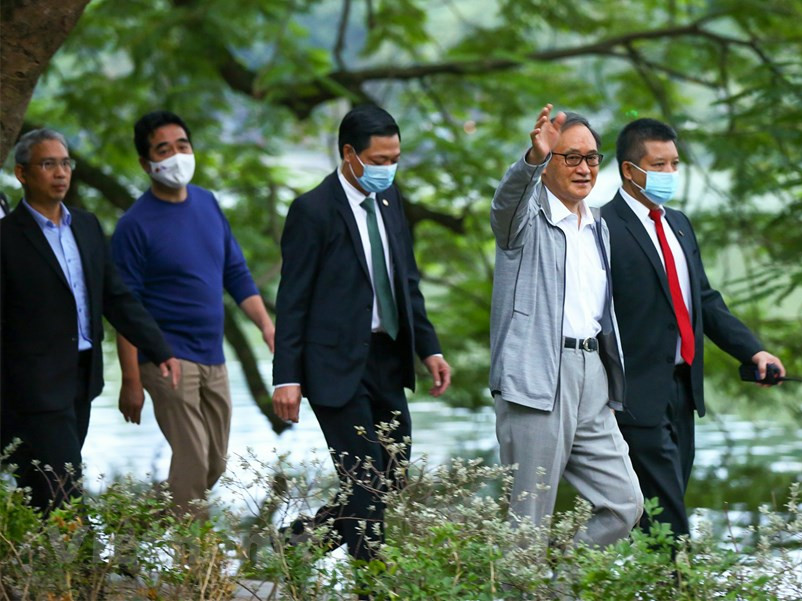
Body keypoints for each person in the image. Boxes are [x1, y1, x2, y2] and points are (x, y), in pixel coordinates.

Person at [271, 104, 452, 562]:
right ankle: (369, 584)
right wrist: (286, 377)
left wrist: (429, 349)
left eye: (394, 159)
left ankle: (301, 542)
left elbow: (406, 282)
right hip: (333, 366)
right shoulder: (312, 210)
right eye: (378, 160)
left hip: (387, 357)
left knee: (391, 474)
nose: (388, 169)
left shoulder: (390, 202)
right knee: (365, 479)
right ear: (349, 154)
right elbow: (292, 301)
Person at [600, 118, 786, 538]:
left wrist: (753, 351)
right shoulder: (602, 227)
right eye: (659, 165)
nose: (669, 174)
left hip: (683, 391)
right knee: (669, 523)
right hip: (634, 395)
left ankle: (645, 584)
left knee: (659, 516)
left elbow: (702, 299)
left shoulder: (678, 224)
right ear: (630, 170)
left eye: (675, 164)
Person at [0, 128, 179, 512]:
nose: (61, 173)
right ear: (22, 173)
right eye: (48, 164)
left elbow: (115, 296)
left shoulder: (86, 226)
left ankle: (39, 564)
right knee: (65, 481)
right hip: (33, 383)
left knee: (42, 484)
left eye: (65, 163)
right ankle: (84, 569)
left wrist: (157, 346)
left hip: (83, 374)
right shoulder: (7, 238)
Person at [489, 104, 643, 547]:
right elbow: (506, 203)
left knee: (625, 505)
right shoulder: (524, 220)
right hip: (537, 376)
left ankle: (555, 585)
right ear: (549, 162)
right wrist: (531, 161)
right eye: (570, 157)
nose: (583, 167)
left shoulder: (597, 225)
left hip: (592, 377)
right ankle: (524, 590)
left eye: (591, 157)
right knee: (527, 526)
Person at [111, 111, 275, 517]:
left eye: (182, 145)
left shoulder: (207, 203)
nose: (176, 155)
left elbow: (235, 272)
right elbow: (123, 306)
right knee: (194, 459)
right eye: (163, 149)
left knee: (212, 464)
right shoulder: (134, 225)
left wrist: (267, 326)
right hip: (165, 358)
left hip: (212, 356)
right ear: (146, 163)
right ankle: (198, 568)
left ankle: (130, 534)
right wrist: (131, 379)